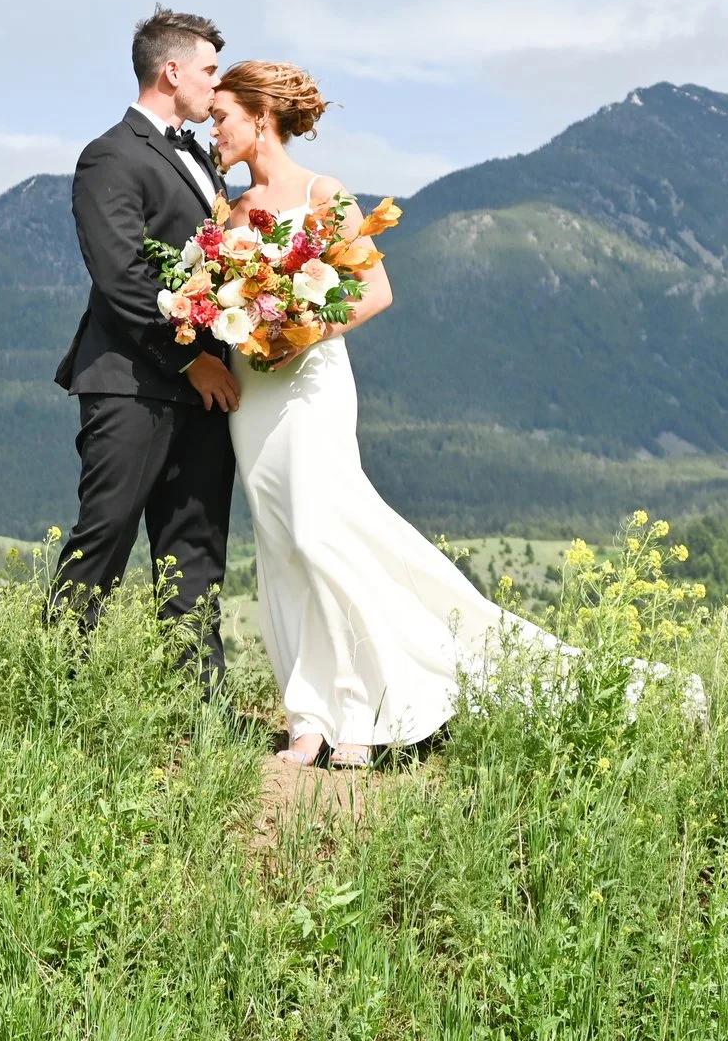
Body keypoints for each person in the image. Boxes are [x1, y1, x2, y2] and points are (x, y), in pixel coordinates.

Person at [211, 60, 703, 767]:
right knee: (282, 545)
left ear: (259, 115)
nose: (213, 130)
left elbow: (374, 290)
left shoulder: (326, 195)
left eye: (221, 115)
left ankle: (367, 705)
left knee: (322, 534)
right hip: (252, 393)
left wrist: (299, 333)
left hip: (311, 382)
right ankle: (308, 714)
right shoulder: (226, 214)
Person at [51, 9, 243, 679]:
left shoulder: (204, 161)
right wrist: (190, 359)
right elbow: (122, 275)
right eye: (210, 70)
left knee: (196, 550)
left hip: (208, 391)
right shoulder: (111, 155)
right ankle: (56, 690)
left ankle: (200, 712)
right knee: (103, 538)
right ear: (172, 70)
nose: (217, 88)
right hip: (132, 384)